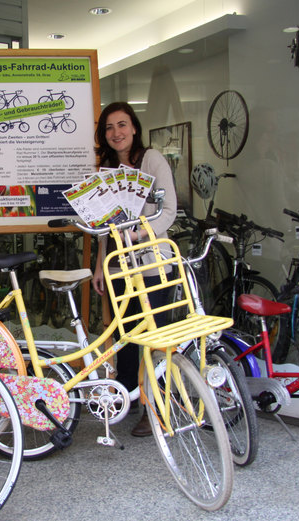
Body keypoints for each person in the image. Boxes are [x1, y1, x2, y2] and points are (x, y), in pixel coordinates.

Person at [91, 102, 177, 437]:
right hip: (117, 266)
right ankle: (125, 397)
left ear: (134, 127)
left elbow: (169, 210)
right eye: (110, 128)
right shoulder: (106, 169)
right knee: (124, 336)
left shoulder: (151, 159)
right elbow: (103, 225)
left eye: (122, 125)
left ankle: (155, 409)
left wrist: (141, 233)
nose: (117, 133)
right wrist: (100, 265)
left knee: (154, 338)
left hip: (152, 263)